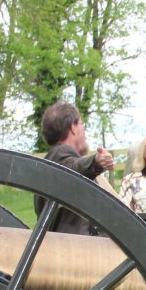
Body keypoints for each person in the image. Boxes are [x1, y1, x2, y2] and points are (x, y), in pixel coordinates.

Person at [37, 100, 115, 235]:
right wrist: (95, 162)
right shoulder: (60, 155)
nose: (84, 132)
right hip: (75, 249)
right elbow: (71, 170)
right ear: (73, 127)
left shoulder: (50, 160)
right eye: (81, 124)